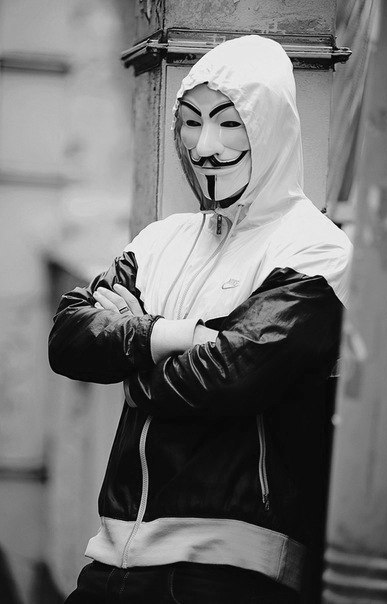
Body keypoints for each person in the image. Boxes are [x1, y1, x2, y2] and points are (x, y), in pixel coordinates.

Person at [49, 35, 352, 603]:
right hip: (110, 559)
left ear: (271, 127)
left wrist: (133, 349)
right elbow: (68, 337)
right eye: (190, 122)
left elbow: (227, 377)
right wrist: (180, 335)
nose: (204, 146)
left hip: (231, 570)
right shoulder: (161, 239)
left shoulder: (316, 251)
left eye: (230, 123)